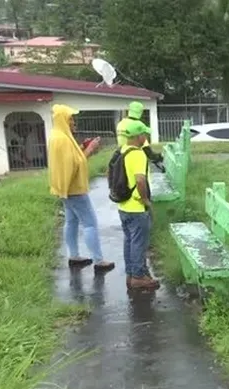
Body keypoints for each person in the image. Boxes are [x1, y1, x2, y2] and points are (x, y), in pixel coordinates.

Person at [48, 104, 116, 273]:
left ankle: (74, 255)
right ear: (63, 120)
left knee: (71, 221)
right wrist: (90, 150)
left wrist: (81, 149)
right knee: (90, 223)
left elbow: (69, 161)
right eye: (70, 119)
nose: (73, 122)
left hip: (64, 188)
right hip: (74, 189)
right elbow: (73, 165)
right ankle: (99, 260)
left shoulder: (57, 136)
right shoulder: (63, 140)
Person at [117, 120, 160, 290]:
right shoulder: (138, 154)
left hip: (124, 205)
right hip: (136, 207)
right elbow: (140, 179)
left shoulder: (122, 150)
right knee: (139, 243)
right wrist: (145, 200)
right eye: (145, 134)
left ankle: (131, 273)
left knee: (129, 241)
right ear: (139, 136)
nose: (146, 137)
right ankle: (138, 276)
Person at [117, 101, 164, 168]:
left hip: (121, 157)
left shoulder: (120, 124)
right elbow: (147, 150)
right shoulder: (137, 125)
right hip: (134, 158)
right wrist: (158, 158)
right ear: (140, 113)